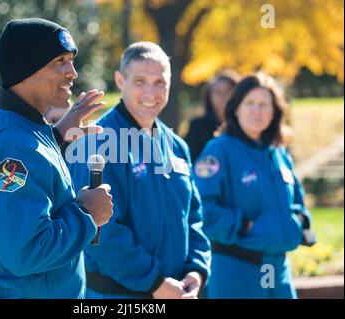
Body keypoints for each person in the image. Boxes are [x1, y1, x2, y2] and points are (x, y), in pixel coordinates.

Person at [0, 18, 113, 299]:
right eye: (59, 61)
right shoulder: (14, 146)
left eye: (72, 60)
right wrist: (87, 214)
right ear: (25, 71)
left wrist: (54, 139)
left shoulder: (2, 127)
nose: (73, 72)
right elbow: (28, 252)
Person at [68, 42, 211, 299]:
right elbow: (100, 232)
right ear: (120, 80)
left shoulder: (176, 146)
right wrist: (155, 283)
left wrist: (196, 271)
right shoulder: (99, 141)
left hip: (177, 292)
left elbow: (194, 217)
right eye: (140, 81)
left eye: (160, 82)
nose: (151, 92)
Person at [193, 73, 316, 299]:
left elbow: (297, 200)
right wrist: (244, 225)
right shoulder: (218, 151)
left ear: (274, 112)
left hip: (276, 269)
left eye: (263, 105)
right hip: (236, 267)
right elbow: (201, 209)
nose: (256, 111)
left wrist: (299, 222)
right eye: (249, 103)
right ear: (236, 108)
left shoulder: (279, 154)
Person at [185, 70, 240, 161]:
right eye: (217, 92)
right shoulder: (198, 126)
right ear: (209, 96)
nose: (223, 97)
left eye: (228, 91)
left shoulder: (244, 126)